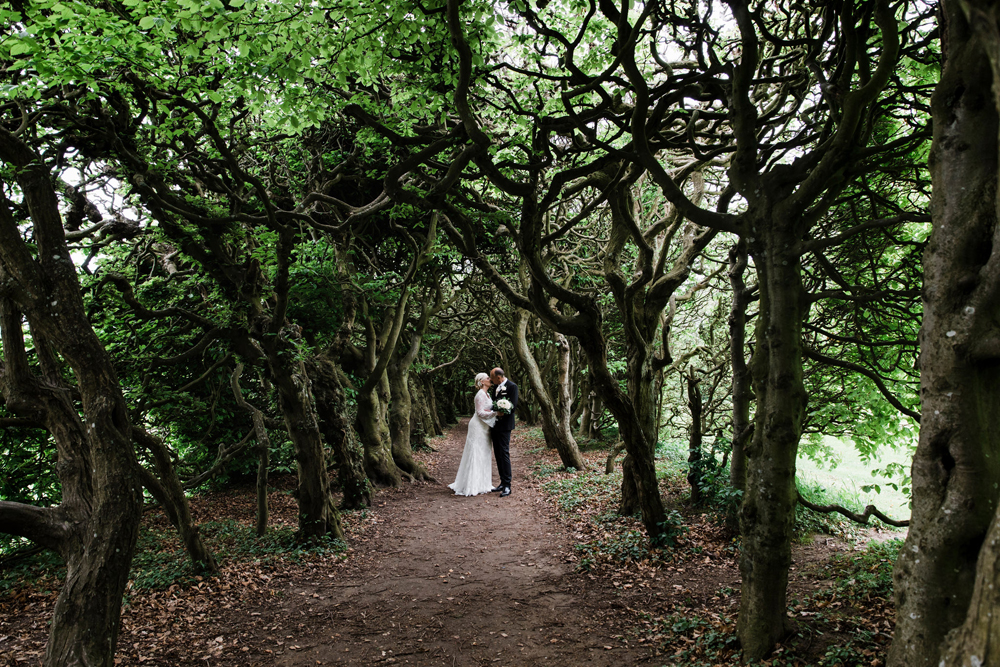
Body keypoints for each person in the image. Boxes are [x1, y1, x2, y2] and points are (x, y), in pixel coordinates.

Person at [448, 372, 498, 496]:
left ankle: (483, 483)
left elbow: (487, 409)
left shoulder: (487, 394)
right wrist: (496, 413)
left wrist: (493, 411)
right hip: (477, 427)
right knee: (476, 452)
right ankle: (472, 484)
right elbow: (480, 413)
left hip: (485, 427)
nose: (490, 379)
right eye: (487, 378)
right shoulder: (480, 395)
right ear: (482, 382)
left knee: (484, 452)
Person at [489, 367, 518, 497]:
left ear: (499, 377)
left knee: (504, 454)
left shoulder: (512, 387)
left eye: (492, 377)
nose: (490, 379)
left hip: (505, 426)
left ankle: (507, 485)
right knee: (498, 454)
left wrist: (503, 410)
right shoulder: (496, 387)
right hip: (495, 426)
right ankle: (502, 482)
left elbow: (513, 407)